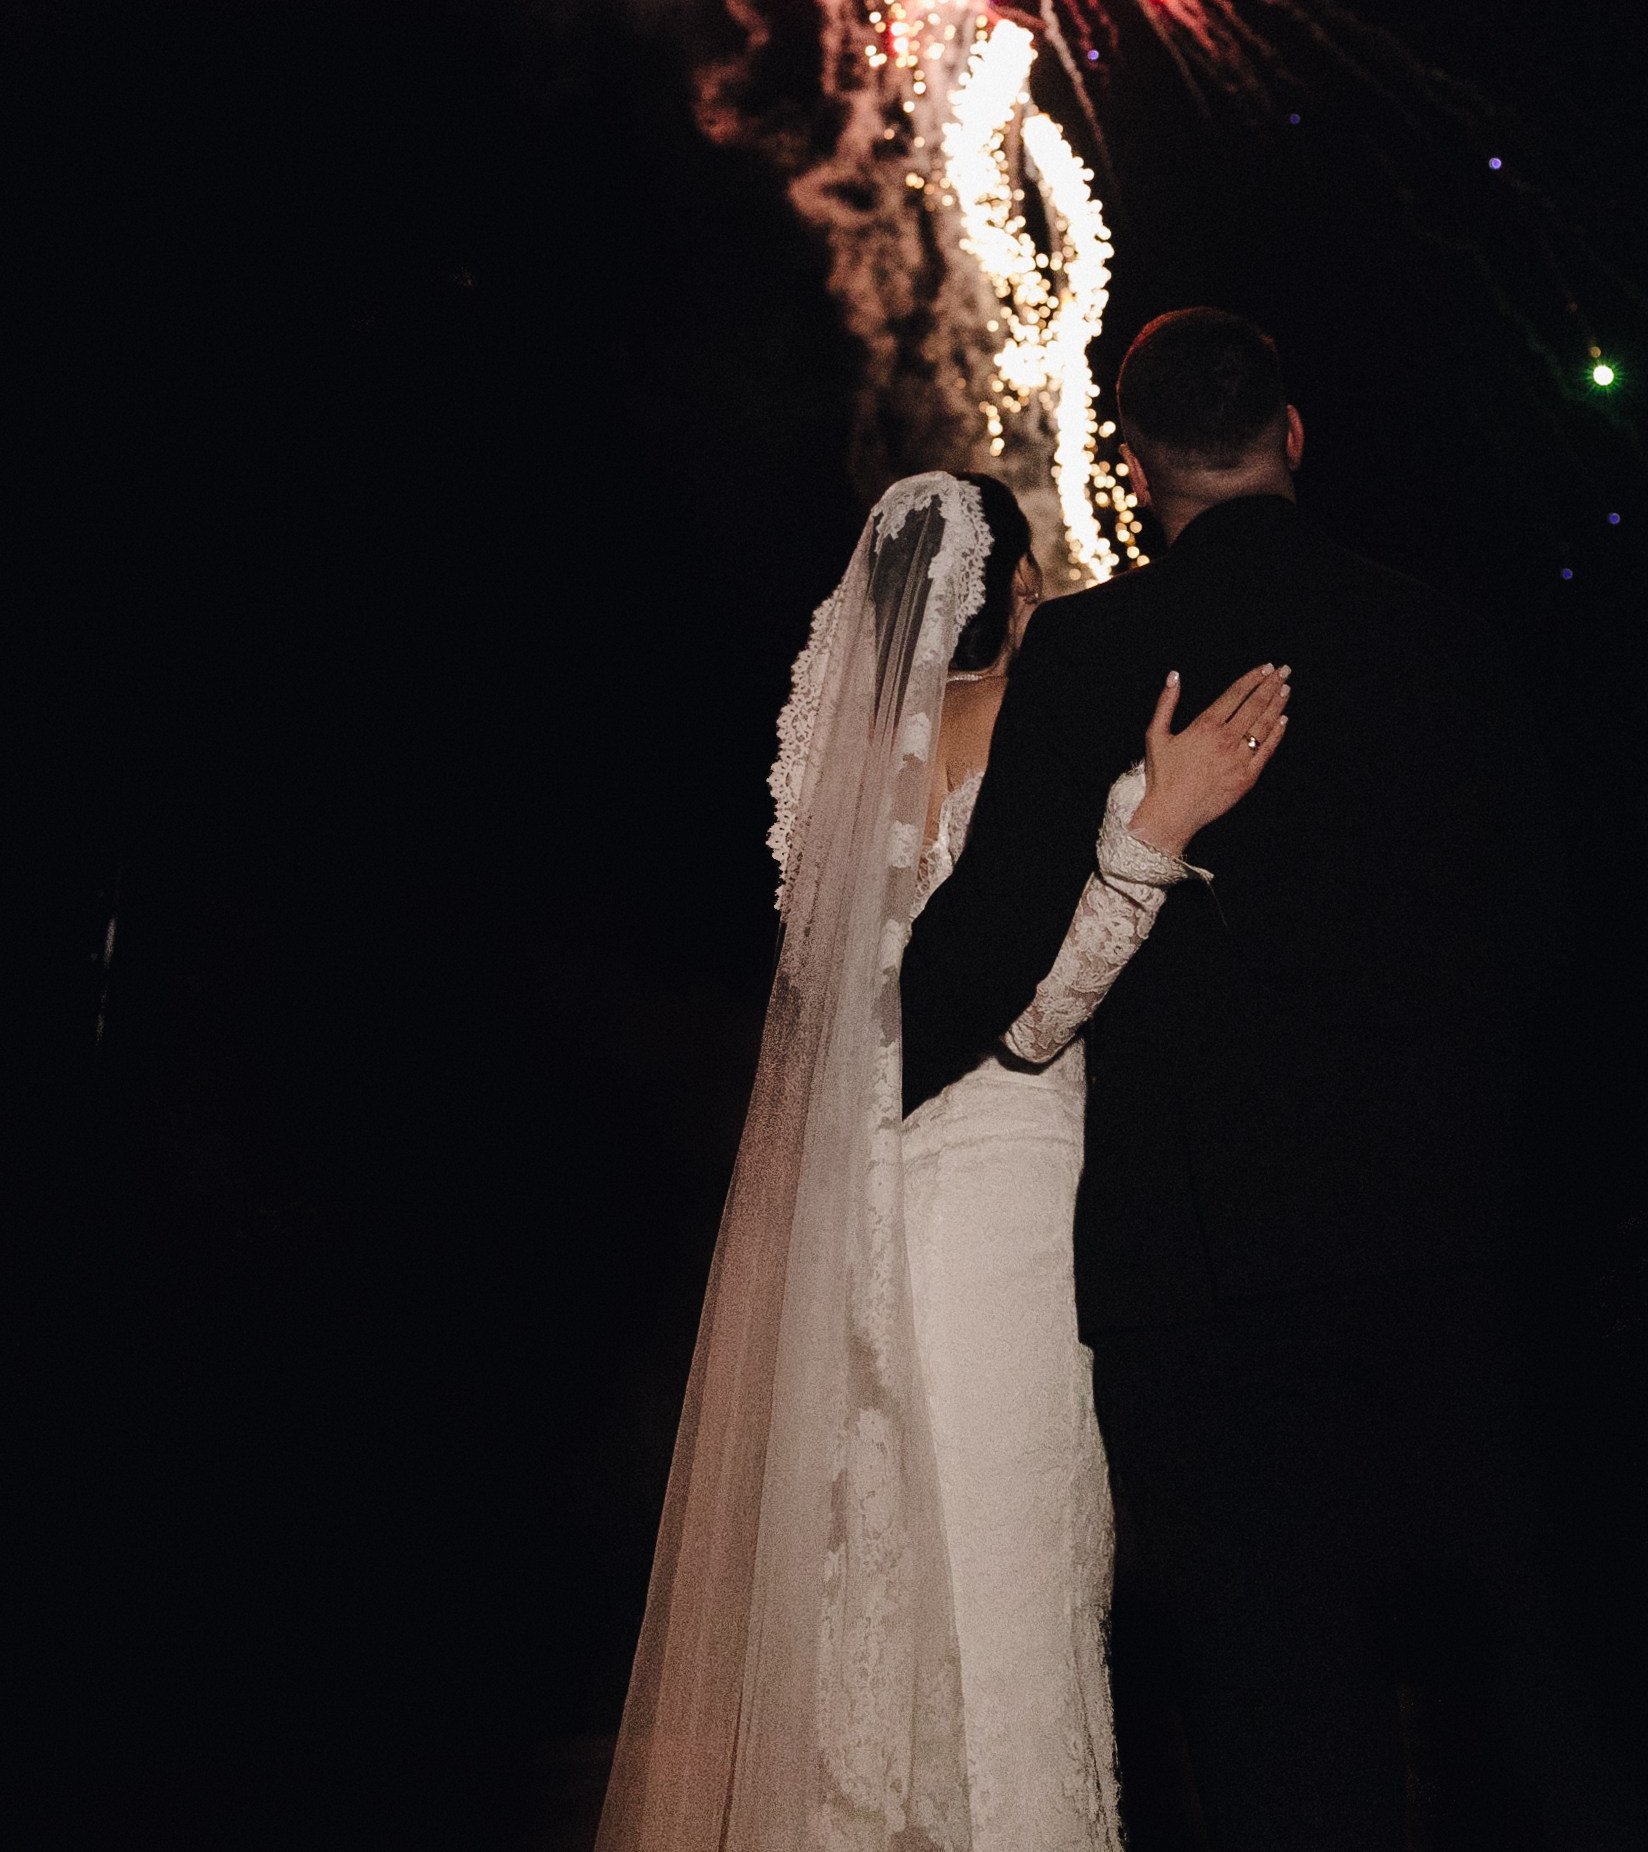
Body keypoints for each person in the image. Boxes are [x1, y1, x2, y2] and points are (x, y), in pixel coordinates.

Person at [901, 310, 1563, 1852]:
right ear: (1296, 432)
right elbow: (1542, 938)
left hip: (1201, 1277)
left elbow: (976, 975)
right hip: (1444, 1257)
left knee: (1278, 1721)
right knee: (1515, 1698)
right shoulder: (1443, 637)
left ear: (1132, 466)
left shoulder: (1088, 651)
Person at [596, 465, 1286, 1852]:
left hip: (866, 1205)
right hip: (1000, 1200)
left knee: (889, 1592)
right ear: (1019, 594)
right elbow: (1024, 1020)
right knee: (1011, 1584)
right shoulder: (1028, 733)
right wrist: (1150, 842)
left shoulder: (841, 778)